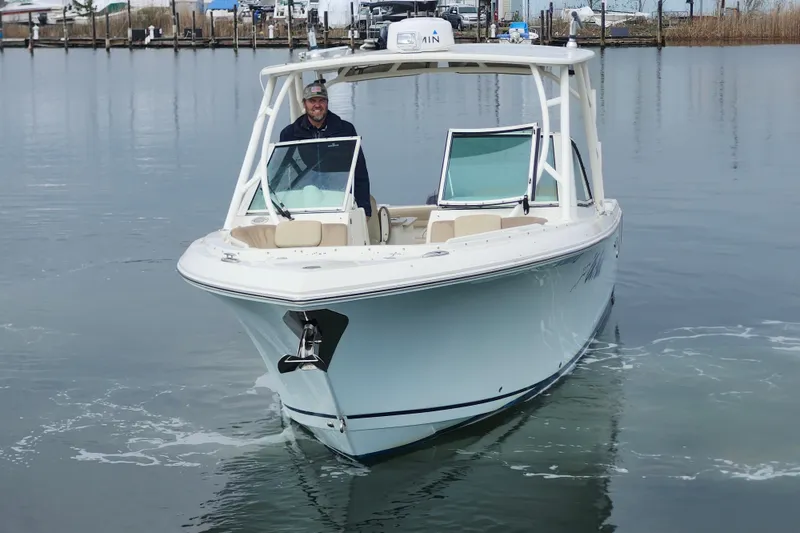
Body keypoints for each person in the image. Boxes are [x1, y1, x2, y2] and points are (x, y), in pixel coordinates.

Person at [279, 81, 372, 218]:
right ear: (304, 103)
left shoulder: (346, 130)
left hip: (340, 202)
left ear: (327, 103)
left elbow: (359, 172)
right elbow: (282, 175)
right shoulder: (289, 134)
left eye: (321, 100)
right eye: (312, 101)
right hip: (302, 203)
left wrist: (365, 209)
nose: (317, 105)